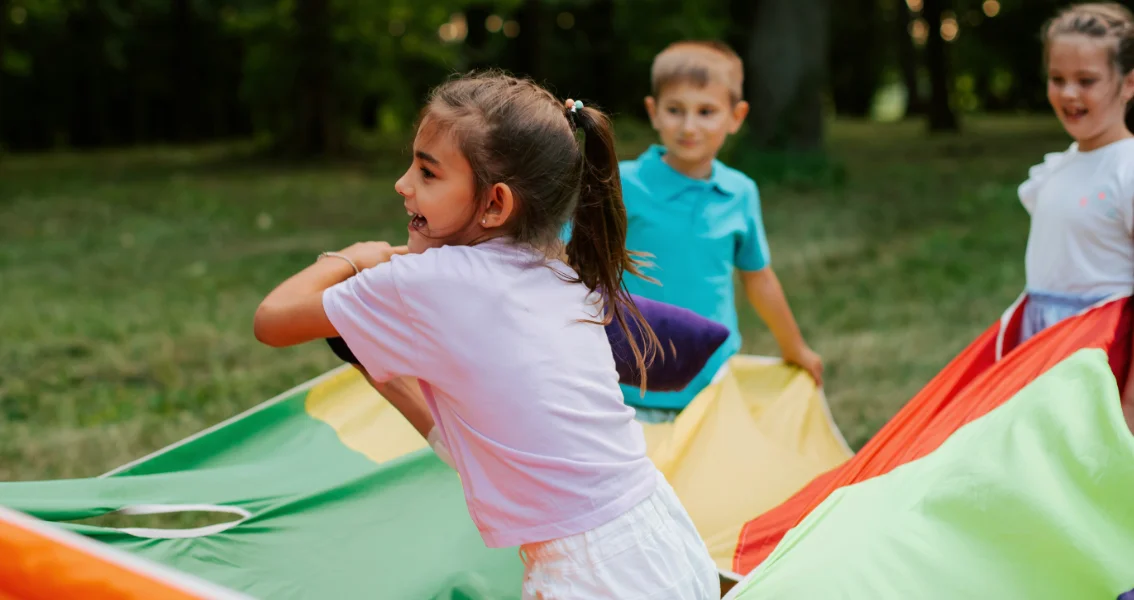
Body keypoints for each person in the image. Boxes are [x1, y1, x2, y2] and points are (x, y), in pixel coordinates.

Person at [252, 71, 720, 599]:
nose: (403, 184)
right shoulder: (560, 274)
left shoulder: (437, 283)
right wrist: (376, 366)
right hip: (662, 538)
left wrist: (356, 257)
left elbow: (273, 319)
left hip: (593, 574)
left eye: (427, 173)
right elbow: (477, 445)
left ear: (496, 204)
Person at [599, 40, 822, 423]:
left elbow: (759, 280)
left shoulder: (740, 193)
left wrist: (796, 348)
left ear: (736, 117)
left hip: (712, 380)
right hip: (626, 383)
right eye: (675, 110)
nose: (689, 127)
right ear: (653, 112)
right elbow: (572, 263)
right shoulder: (622, 183)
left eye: (706, 112)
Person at [1016, 2, 1134, 428]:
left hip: (1099, 359)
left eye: (1086, 81)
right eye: (1057, 79)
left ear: (1129, 84)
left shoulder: (1128, 170)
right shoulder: (1059, 168)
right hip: (1043, 349)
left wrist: (1131, 402)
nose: (1068, 93)